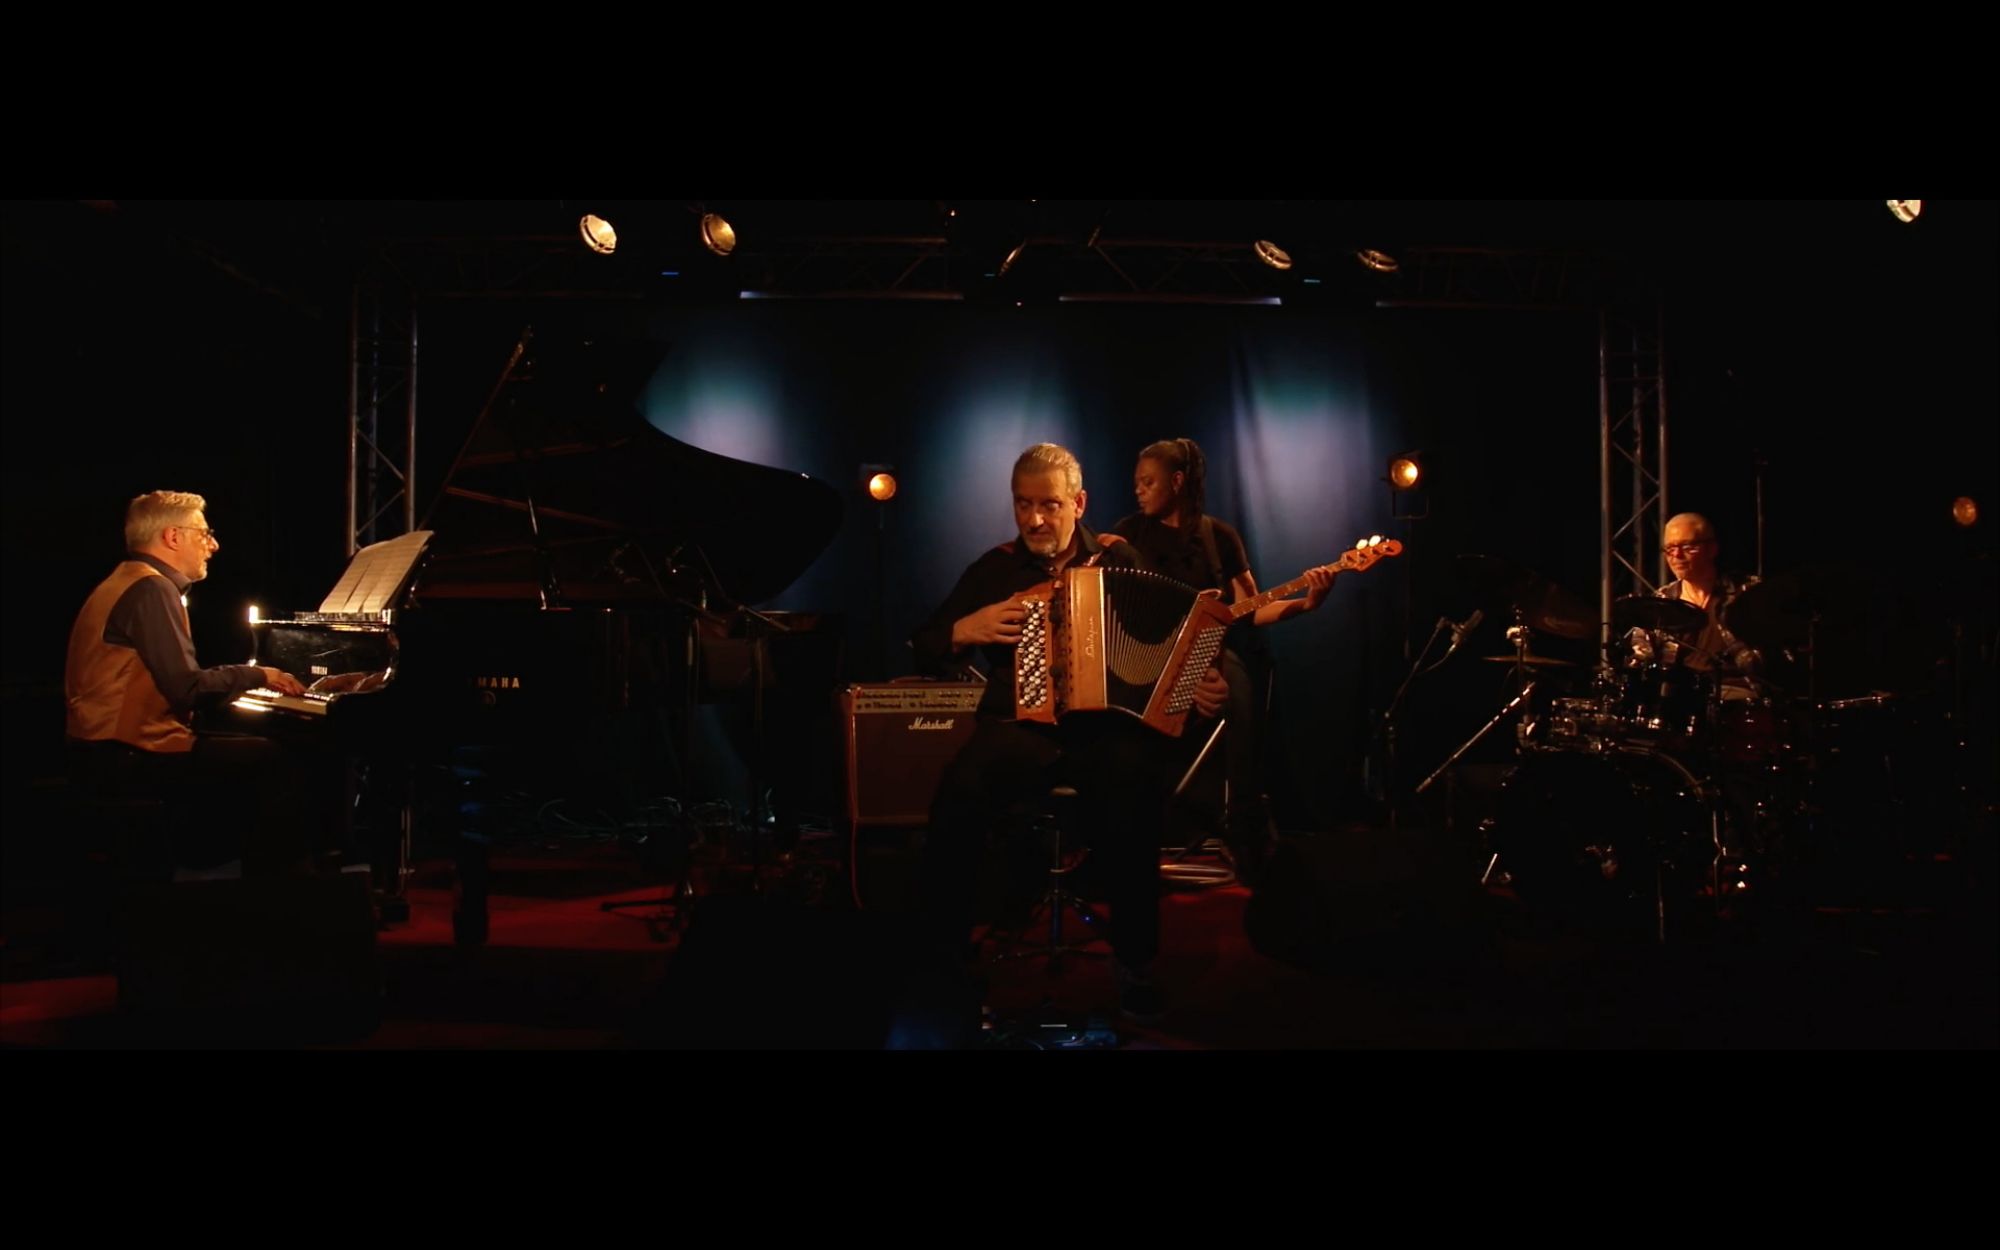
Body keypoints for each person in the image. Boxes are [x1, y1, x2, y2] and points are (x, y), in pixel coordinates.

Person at [906, 443, 1228, 1034]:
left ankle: (1134, 961)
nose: (1033, 519)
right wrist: (964, 629)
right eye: (1022, 504)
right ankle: (945, 961)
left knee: (1134, 785)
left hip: (1105, 733)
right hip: (1021, 729)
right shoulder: (995, 569)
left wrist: (1198, 680)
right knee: (959, 791)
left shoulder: (1118, 558)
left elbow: (1172, 637)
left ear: (1078, 504)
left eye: (1049, 505)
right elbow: (923, 644)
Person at [1110, 437, 1336, 883]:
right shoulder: (1127, 534)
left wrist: (1307, 604)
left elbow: (1250, 610)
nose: (1138, 490)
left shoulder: (1219, 538)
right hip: (1146, 658)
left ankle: (1244, 825)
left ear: (1177, 482)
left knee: (1239, 688)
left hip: (1208, 653)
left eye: (1148, 482)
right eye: (1137, 482)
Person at [64, 490, 311, 877]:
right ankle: (271, 895)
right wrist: (261, 674)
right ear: (172, 537)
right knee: (275, 761)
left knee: (246, 746)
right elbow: (187, 688)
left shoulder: (126, 579)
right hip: (126, 757)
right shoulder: (151, 589)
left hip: (99, 750)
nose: (213, 545)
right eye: (204, 533)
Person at [1654, 511, 1760, 675]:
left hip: (1738, 687)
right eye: (1670, 548)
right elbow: (1641, 658)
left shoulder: (1746, 592)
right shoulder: (1661, 601)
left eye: (1687, 547)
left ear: (1712, 549)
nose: (1676, 555)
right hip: (1680, 688)